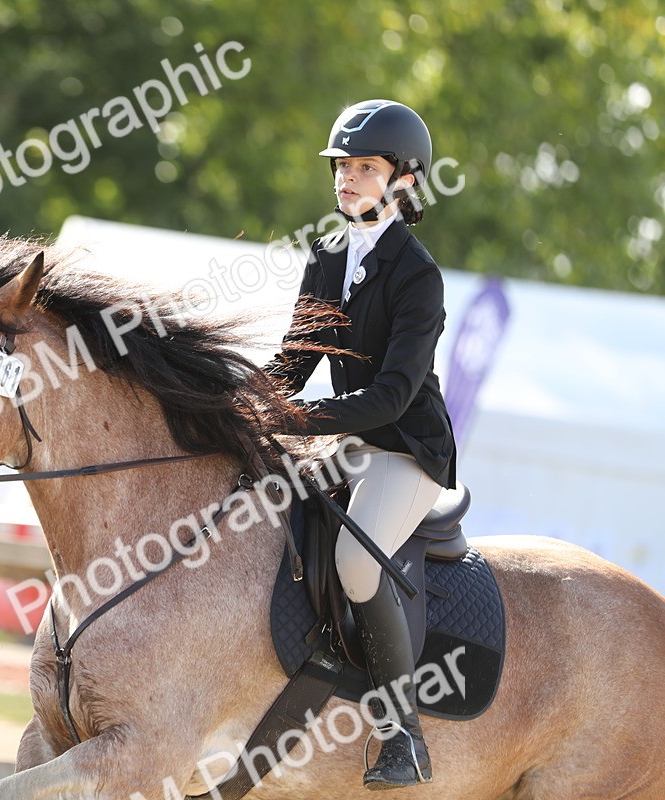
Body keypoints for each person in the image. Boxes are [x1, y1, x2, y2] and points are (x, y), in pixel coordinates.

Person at [265, 99, 457, 790]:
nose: (346, 178)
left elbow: (390, 399)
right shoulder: (327, 256)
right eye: (342, 165)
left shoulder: (418, 276)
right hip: (348, 440)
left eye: (364, 167)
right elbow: (291, 362)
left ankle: (402, 735)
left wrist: (289, 419)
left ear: (403, 181)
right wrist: (235, 405)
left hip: (407, 448)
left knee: (356, 559)